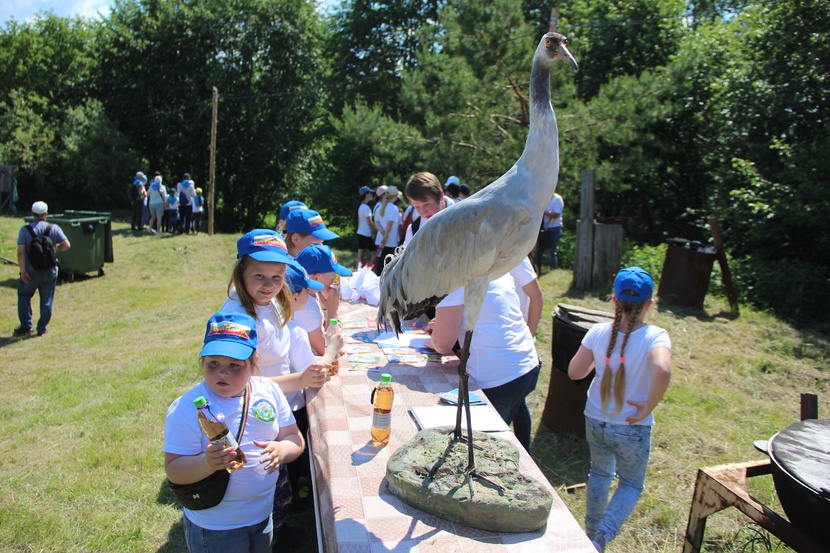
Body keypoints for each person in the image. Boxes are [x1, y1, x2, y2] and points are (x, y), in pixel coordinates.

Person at [163, 311, 304, 552]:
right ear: (202, 361)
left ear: (254, 362)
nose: (222, 372)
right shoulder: (186, 408)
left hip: (262, 516)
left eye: (235, 365)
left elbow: (295, 439)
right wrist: (206, 463)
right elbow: (174, 471)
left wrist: (282, 449)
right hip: (216, 527)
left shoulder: (268, 391)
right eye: (213, 363)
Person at [567, 267, 672, 552]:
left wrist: (598, 362)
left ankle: (590, 532)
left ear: (614, 300)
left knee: (600, 473)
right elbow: (663, 370)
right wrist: (647, 406)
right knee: (631, 483)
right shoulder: (655, 336)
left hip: (595, 418)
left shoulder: (598, 332)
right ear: (650, 304)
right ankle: (601, 537)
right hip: (631, 426)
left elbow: (575, 372)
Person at [424, 275, 541, 452]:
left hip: (498, 378)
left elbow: (443, 343)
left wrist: (432, 340)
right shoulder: (494, 268)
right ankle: (525, 453)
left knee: (484, 447)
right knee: (509, 418)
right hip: (527, 365)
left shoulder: (451, 278)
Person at [15, 201, 71, 337]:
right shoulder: (54, 228)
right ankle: (42, 328)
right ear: (46, 215)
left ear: (32, 214)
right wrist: (55, 248)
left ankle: (26, 326)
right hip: (49, 271)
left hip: (30, 271)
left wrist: (23, 271)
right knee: (47, 300)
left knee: (24, 296)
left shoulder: (25, 230)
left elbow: (20, 253)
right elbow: (66, 245)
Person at [293, 244, 352, 356]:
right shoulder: (304, 307)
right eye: (332, 278)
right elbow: (324, 350)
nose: (333, 283)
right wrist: (332, 310)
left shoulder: (308, 295)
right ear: (317, 277)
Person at [403, 171, 454, 247]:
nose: (423, 212)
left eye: (426, 204)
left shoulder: (464, 217)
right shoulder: (413, 231)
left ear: (440, 195)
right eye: (417, 207)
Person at [372, 185, 402, 276]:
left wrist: (382, 232)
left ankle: (378, 277)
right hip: (390, 239)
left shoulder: (380, 207)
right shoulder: (394, 208)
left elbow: (376, 222)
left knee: (380, 259)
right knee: (388, 261)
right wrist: (385, 237)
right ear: (395, 196)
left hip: (380, 238)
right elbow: (390, 224)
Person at [535, 192, 564, 271]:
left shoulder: (557, 199)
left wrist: (543, 211)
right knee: (539, 250)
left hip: (554, 228)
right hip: (543, 228)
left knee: (551, 250)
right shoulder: (543, 199)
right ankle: (537, 269)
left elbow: (556, 215)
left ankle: (553, 269)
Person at [354, 186, 375, 268]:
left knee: (360, 257)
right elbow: (370, 222)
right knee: (374, 255)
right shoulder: (366, 208)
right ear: (366, 194)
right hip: (366, 234)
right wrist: (375, 231)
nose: (372, 194)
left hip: (360, 232)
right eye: (370, 193)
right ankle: (368, 271)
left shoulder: (360, 206)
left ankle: (358, 271)